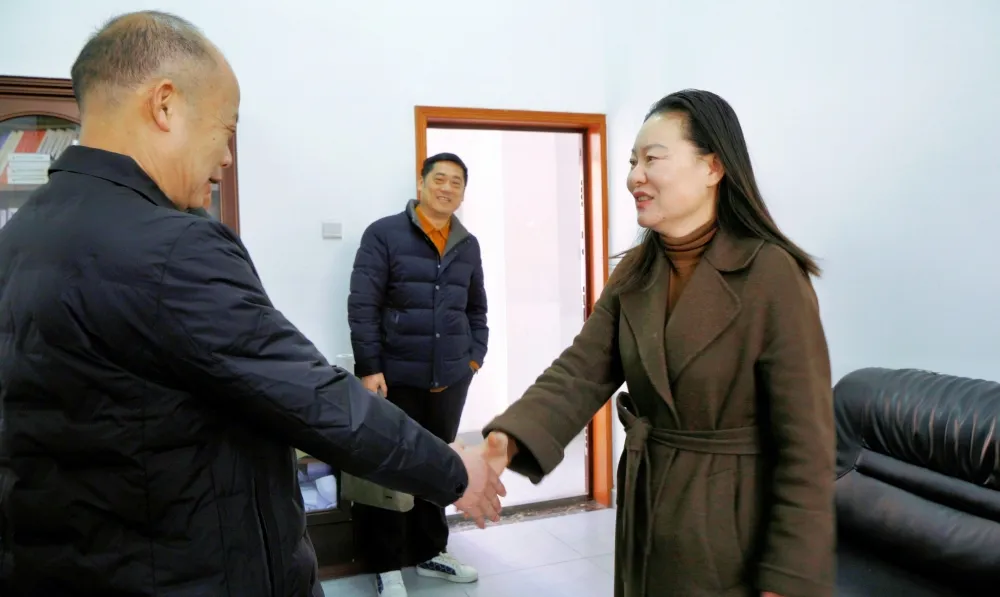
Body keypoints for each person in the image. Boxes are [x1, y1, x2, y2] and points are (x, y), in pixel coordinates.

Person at [0, 11, 504, 597]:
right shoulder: (176, 246)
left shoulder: (19, 236)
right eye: (224, 131)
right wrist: (452, 469)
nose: (227, 158)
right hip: (194, 570)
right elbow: (312, 395)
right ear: (165, 106)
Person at [482, 89, 836, 597]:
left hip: (733, 524)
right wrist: (507, 439)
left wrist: (790, 577)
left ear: (712, 167)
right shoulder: (635, 271)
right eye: (632, 162)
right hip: (648, 509)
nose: (634, 177)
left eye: (653, 159)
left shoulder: (771, 274)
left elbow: (807, 442)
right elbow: (580, 371)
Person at [347, 152, 489, 597]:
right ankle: (386, 564)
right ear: (421, 184)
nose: (447, 188)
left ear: (463, 193)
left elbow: (476, 309)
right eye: (439, 179)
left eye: (456, 182)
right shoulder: (384, 234)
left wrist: (473, 358)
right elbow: (363, 305)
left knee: (438, 465)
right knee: (388, 467)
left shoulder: (467, 243)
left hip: (450, 378)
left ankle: (431, 552)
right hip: (395, 378)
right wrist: (369, 367)